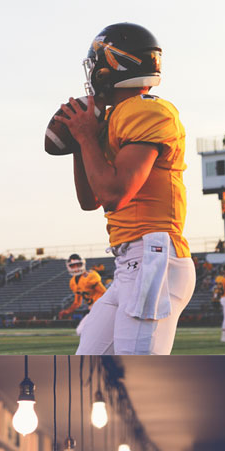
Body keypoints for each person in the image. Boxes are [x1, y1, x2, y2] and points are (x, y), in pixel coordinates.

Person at [56, 23, 195, 354]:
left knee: (135, 376)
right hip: (130, 261)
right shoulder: (117, 117)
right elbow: (90, 200)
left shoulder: (146, 110)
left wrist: (88, 137)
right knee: (87, 361)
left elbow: (114, 194)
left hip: (152, 256)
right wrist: (80, 141)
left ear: (112, 66)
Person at [59, 254, 108, 331]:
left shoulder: (90, 276)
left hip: (101, 308)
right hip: (93, 309)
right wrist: (67, 311)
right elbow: (77, 303)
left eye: (78, 265)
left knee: (84, 330)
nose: (76, 268)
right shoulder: (73, 282)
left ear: (83, 264)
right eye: (73, 266)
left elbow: (105, 293)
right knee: (80, 331)